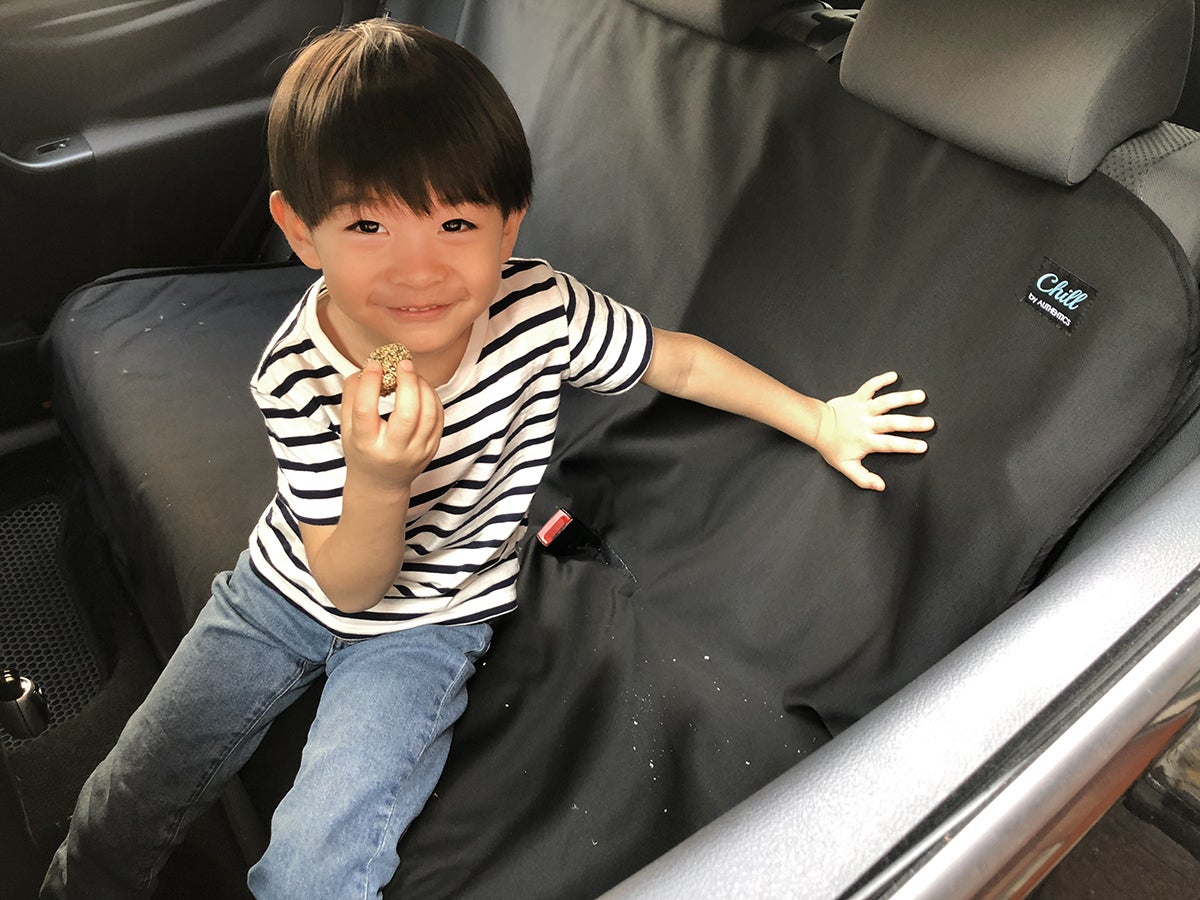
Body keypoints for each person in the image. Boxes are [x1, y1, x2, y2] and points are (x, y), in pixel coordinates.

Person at [42, 18, 935, 899]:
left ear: (509, 229)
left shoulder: (540, 310)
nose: (419, 269)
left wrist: (818, 418)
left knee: (313, 872)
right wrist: (379, 479)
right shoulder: (299, 372)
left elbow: (680, 362)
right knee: (126, 795)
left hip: (432, 619)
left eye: (456, 222)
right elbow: (345, 583)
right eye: (368, 225)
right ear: (302, 232)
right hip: (282, 591)